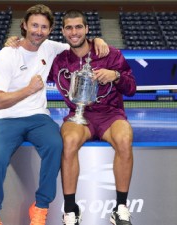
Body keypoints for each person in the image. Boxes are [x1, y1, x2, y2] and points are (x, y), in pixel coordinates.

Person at [0, 4, 109, 225]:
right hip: (5, 119)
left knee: (55, 146)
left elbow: (78, 42)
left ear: (50, 30)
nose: (38, 31)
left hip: (38, 117)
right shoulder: (6, 55)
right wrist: (28, 90)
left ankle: (40, 208)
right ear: (24, 25)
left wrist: (97, 40)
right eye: (34, 25)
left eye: (43, 27)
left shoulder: (51, 48)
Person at [48, 10, 136, 225]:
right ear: (63, 32)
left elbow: (132, 88)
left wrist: (115, 76)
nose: (74, 32)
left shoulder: (110, 54)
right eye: (69, 28)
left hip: (111, 115)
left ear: (87, 29)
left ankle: (120, 208)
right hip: (78, 118)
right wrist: (15, 41)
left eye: (79, 27)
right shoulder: (58, 60)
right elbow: (31, 54)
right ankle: (70, 210)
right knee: (67, 141)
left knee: (124, 139)